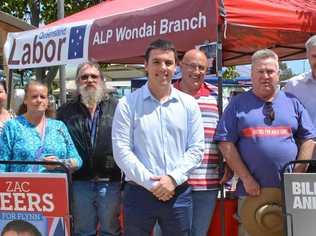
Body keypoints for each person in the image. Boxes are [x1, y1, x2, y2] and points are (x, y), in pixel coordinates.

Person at [214, 49, 316, 236]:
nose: (265, 76)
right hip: (251, 192)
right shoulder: (237, 104)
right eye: (260, 71)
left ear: (279, 74)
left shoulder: (292, 102)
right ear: (252, 74)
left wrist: (297, 175)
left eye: (270, 71)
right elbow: (225, 143)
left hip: (289, 195)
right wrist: (246, 178)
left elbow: (309, 139)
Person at [112, 39, 204, 236]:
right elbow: (121, 151)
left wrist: (172, 179)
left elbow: (196, 149)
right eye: (156, 62)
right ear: (145, 65)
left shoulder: (189, 105)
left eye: (168, 63)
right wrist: (152, 184)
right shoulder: (127, 104)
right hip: (139, 193)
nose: (163, 68)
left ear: (176, 67)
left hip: (177, 192)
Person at [57, 62, 121, 236]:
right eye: (84, 77)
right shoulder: (64, 111)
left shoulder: (118, 108)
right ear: (78, 82)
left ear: (102, 80)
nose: (89, 80)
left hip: (110, 180)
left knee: (110, 231)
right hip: (79, 182)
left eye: (94, 76)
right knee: (83, 231)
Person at [173, 49, 231, 236]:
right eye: (191, 66)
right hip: (173, 180)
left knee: (198, 232)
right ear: (180, 66)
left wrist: (228, 164)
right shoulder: (167, 94)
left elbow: (226, 136)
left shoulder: (218, 97)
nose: (196, 71)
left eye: (201, 68)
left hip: (207, 180)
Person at [0, 80, 82, 173]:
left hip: (55, 186)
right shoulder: (12, 126)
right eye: (34, 96)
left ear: (47, 101)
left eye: (43, 97)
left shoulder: (59, 127)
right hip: (23, 186)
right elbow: (2, 163)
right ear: (25, 100)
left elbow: (78, 160)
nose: (39, 100)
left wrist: (61, 162)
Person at [284, 35, 316, 126]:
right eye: (315, 56)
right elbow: (284, 117)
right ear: (307, 56)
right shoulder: (293, 85)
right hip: (303, 139)